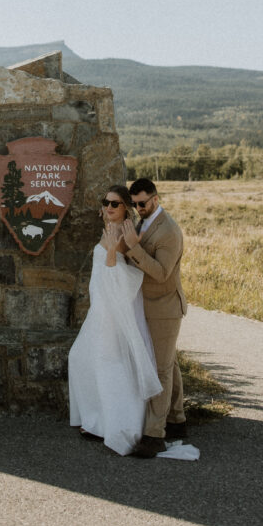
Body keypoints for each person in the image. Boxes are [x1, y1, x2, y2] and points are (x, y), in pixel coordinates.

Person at [68, 185, 162, 456]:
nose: (108, 207)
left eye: (115, 204)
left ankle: (118, 424)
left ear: (126, 209)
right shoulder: (109, 228)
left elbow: (123, 277)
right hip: (100, 305)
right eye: (106, 202)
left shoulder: (123, 234)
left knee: (108, 361)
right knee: (83, 357)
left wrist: (111, 251)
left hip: (112, 308)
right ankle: (97, 419)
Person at [123, 177, 187, 458]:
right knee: (169, 363)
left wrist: (134, 249)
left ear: (156, 199)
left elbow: (161, 273)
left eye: (142, 204)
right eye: (134, 204)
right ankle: (177, 420)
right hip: (146, 306)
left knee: (160, 369)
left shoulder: (169, 231)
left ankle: (154, 435)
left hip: (165, 308)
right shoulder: (143, 223)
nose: (138, 209)